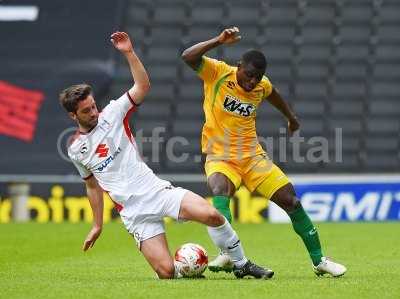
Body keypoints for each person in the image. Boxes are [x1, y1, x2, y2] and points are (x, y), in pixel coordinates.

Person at [60, 31, 273, 279]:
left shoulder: (113, 113)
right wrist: (97, 224)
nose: (94, 113)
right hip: (133, 212)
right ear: (73, 116)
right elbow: (92, 186)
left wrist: (129, 53)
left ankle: (241, 264)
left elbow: (142, 86)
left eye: (94, 106)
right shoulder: (76, 149)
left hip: (155, 191)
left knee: (212, 215)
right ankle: (187, 267)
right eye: (87, 111)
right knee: (167, 272)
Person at [181, 26, 347, 277]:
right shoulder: (218, 73)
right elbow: (187, 57)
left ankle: (319, 260)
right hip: (220, 156)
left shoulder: (261, 86)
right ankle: (227, 252)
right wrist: (218, 40)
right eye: (248, 75)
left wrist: (291, 118)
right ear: (238, 66)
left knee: (292, 201)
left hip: (253, 158)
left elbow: (274, 94)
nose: (251, 82)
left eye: (256, 78)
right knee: (219, 191)